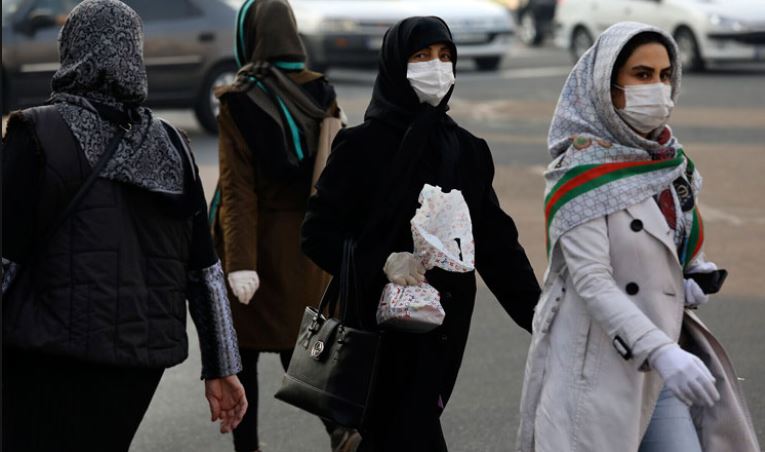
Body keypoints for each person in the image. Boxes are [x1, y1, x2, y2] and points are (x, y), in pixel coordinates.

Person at [1, 1, 247, 451]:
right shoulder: (173, 144)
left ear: (71, 49)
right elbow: (204, 271)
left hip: (46, 356)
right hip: (138, 363)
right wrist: (222, 366)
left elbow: (5, 255)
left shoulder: (38, 132)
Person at [516, 22, 760, 452]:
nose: (658, 89)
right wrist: (661, 351)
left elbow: (674, 241)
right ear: (607, 87)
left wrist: (691, 276)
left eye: (665, 75)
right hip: (600, 367)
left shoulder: (670, 161)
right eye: (642, 75)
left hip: (664, 361)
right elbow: (592, 281)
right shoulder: (580, 173)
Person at [301, 16, 541, 452]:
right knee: (409, 434)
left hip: (444, 329)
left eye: (445, 56)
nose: (437, 66)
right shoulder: (361, 147)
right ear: (396, 64)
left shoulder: (466, 149)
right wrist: (383, 261)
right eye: (422, 55)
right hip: (379, 329)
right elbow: (317, 233)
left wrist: (541, 318)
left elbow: (497, 246)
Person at [209, 1, 357, 451]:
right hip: (307, 248)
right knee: (307, 347)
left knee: (243, 356)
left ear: (250, 35)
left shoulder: (239, 99)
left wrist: (240, 263)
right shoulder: (321, 91)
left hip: (254, 244)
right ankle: (341, 430)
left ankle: (248, 448)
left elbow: (237, 190)